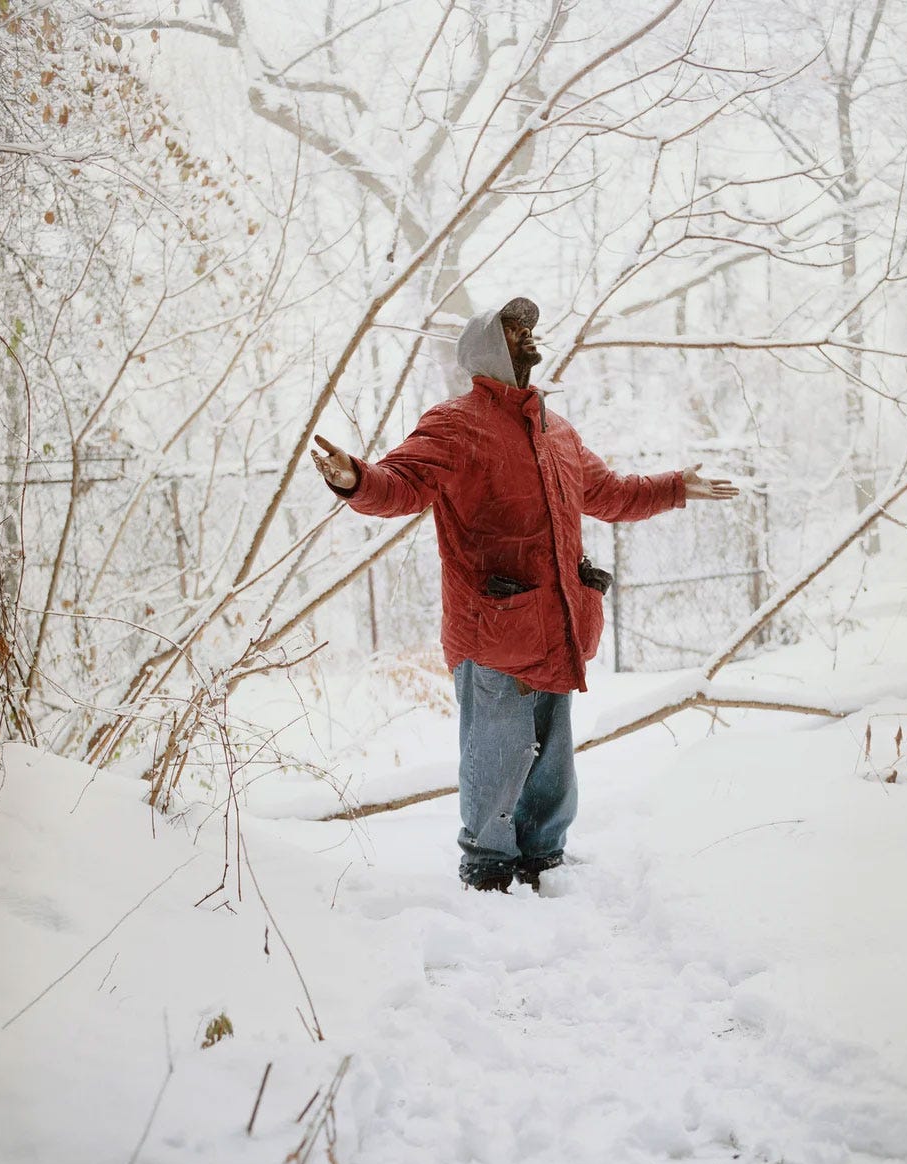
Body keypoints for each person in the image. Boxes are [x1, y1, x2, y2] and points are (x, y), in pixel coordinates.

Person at [311, 297, 739, 893]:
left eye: (528, 330)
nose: (528, 338)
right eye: (514, 332)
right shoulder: (455, 423)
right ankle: (487, 867)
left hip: (556, 625)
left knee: (552, 757)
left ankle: (543, 857)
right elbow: (403, 484)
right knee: (497, 753)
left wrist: (675, 487)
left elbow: (609, 493)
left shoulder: (556, 430)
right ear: (487, 349)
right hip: (493, 629)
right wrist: (357, 479)